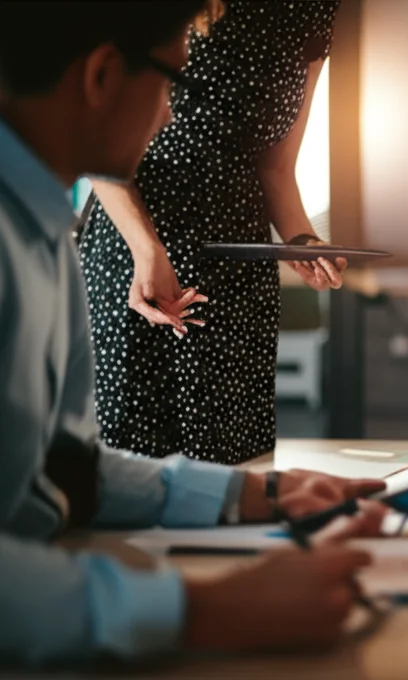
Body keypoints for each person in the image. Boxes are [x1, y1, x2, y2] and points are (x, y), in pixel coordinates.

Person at [0, 1, 387, 665]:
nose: (175, 116)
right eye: (172, 83)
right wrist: (209, 608)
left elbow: (67, 470)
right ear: (100, 77)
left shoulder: (40, 234)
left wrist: (254, 491)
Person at [77, 0, 345, 465]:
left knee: (235, 462)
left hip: (239, 262)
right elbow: (93, 131)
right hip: (136, 244)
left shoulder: (311, 8)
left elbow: (277, 168)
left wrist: (302, 242)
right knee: (132, 460)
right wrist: (147, 248)